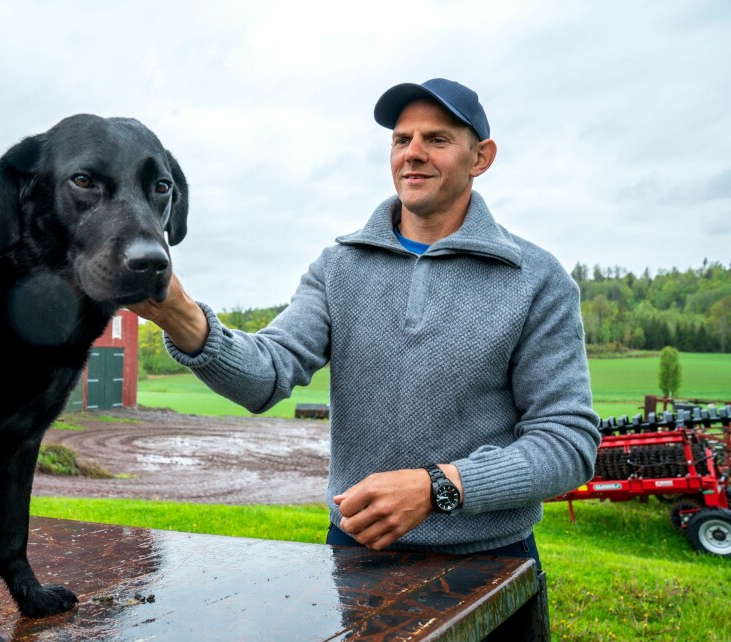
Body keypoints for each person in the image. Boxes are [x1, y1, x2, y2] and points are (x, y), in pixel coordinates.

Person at [131, 79, 600, 566]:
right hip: (357, 553)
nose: (412, 153)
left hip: (492, 559)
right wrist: (179, 315)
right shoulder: (339, 267)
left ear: (481, 157)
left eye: (436, 140)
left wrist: (439, 487)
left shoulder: (536, 279)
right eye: (401, 140)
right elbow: (267, 375)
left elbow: (567, 442)